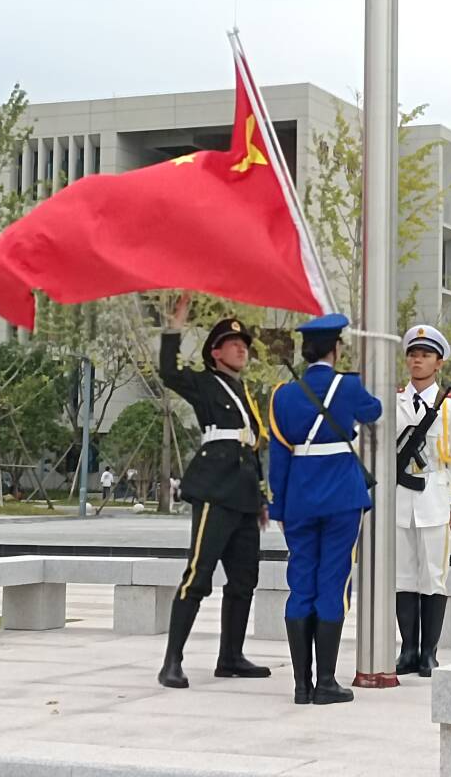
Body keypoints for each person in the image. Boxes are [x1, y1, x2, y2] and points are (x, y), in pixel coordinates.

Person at [156, 293, 270, 689]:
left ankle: (231, 657)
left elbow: (252, 446)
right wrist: (175, 326)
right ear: (215, 352)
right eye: (233, 344)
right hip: (215, 488)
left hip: (244, 494)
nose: (241, 349)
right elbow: (168, 372)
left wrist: (260, 497)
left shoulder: (245, 392)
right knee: (198, 574)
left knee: (244, 579)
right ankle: (172, 661)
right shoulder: (205, 383)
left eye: (244, 345)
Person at [268, 313, 381, 705]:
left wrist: (279, 508)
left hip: (299, 499)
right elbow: (374, 411)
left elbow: (278, 458)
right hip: (341, 499)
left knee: (301, 583)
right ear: (336, 348)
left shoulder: (283, 395)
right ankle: (326, 682)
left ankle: (301, 685)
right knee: (333, 582)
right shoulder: (347, 386)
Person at [396, 324, 451, 679]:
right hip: (399, 498)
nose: (417, 360)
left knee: (434, 576)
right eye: (413, 354)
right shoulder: (393, 400)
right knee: (403, 576)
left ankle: (429, 653)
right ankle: (407, 650)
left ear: (438, 363)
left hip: (435, 495)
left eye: (425, 355)